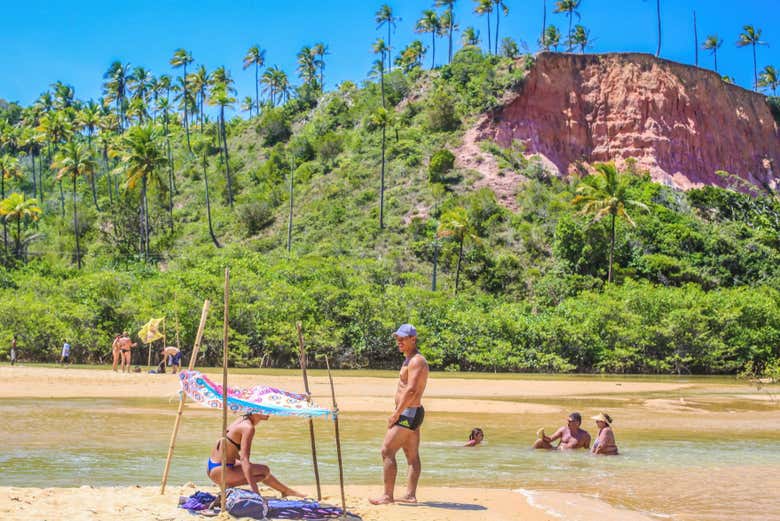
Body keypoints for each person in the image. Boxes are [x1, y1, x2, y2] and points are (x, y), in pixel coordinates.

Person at [370, 324, 429, 505]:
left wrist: (396, 413)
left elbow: (411, 390)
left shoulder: (416, 361)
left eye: (403, 339)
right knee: (411, 455)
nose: (399, 342)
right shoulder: (409, 359)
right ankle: (410, 495)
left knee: (387, 450)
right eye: (397, 338)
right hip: (412, 412)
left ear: (413, 339)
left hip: (408, 413)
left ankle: (388, 496)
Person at [207, 411, 304, 497]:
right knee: (264, 471)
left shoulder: (241, 419)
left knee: (256, 470)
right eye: (265, 410)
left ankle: (286, 491)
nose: (269, 412)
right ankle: (229, 486)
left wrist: (248, 468)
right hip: (221, 471)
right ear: (254, 411)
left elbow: (229, 447)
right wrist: (256, 493)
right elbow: (244, 459)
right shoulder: (248, 428)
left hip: (213, 466)